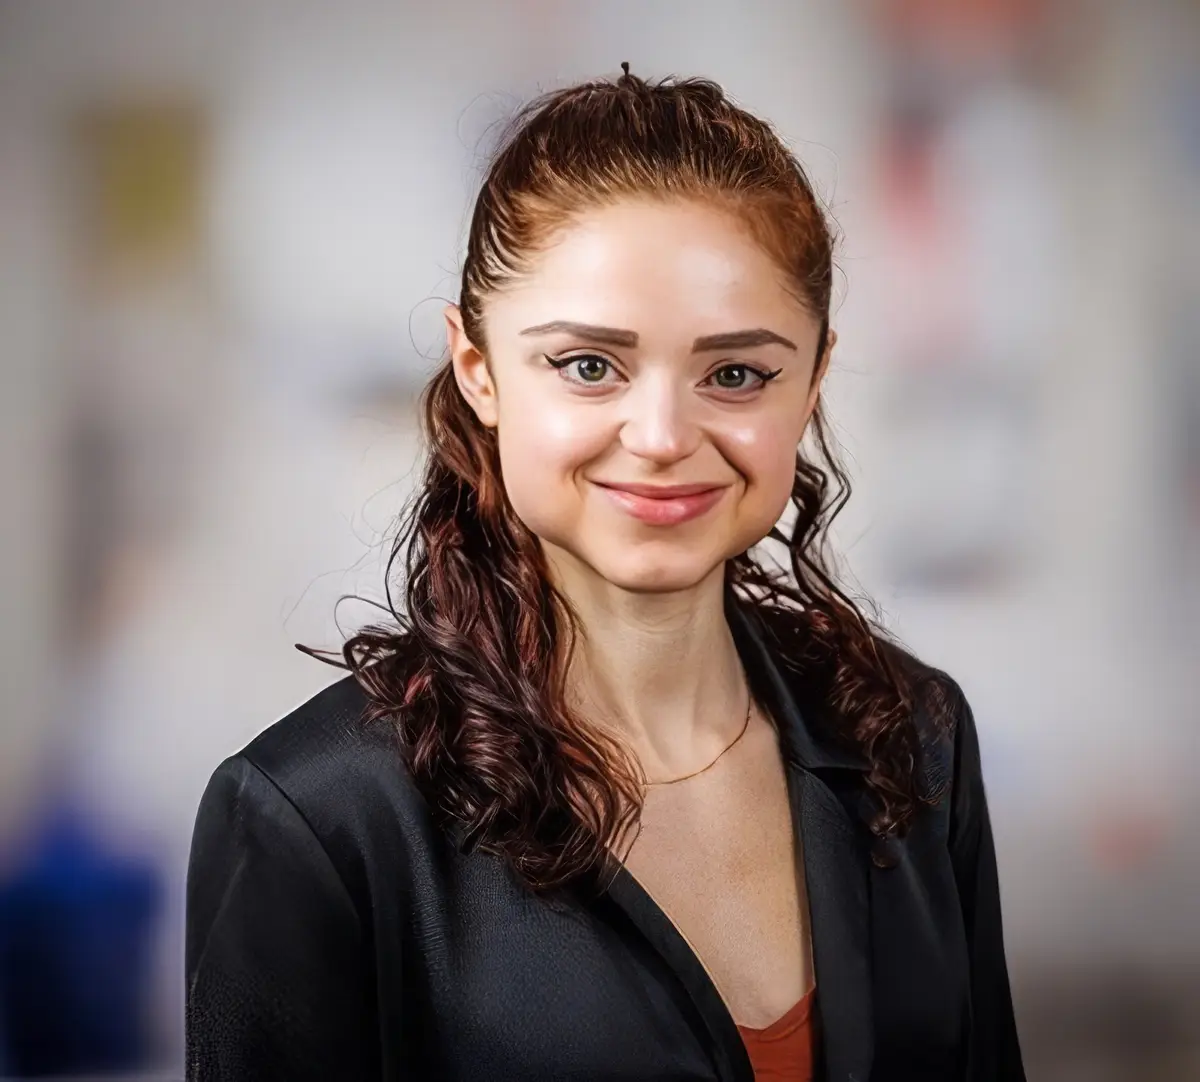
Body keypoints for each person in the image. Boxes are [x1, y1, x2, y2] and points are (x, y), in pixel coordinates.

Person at [185, 66, 1025, 1082]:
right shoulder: (316, 818)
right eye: (589, 364)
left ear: (812, 380)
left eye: (736, 373)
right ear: (478, 369)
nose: (664, 436)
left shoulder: (913, 736)